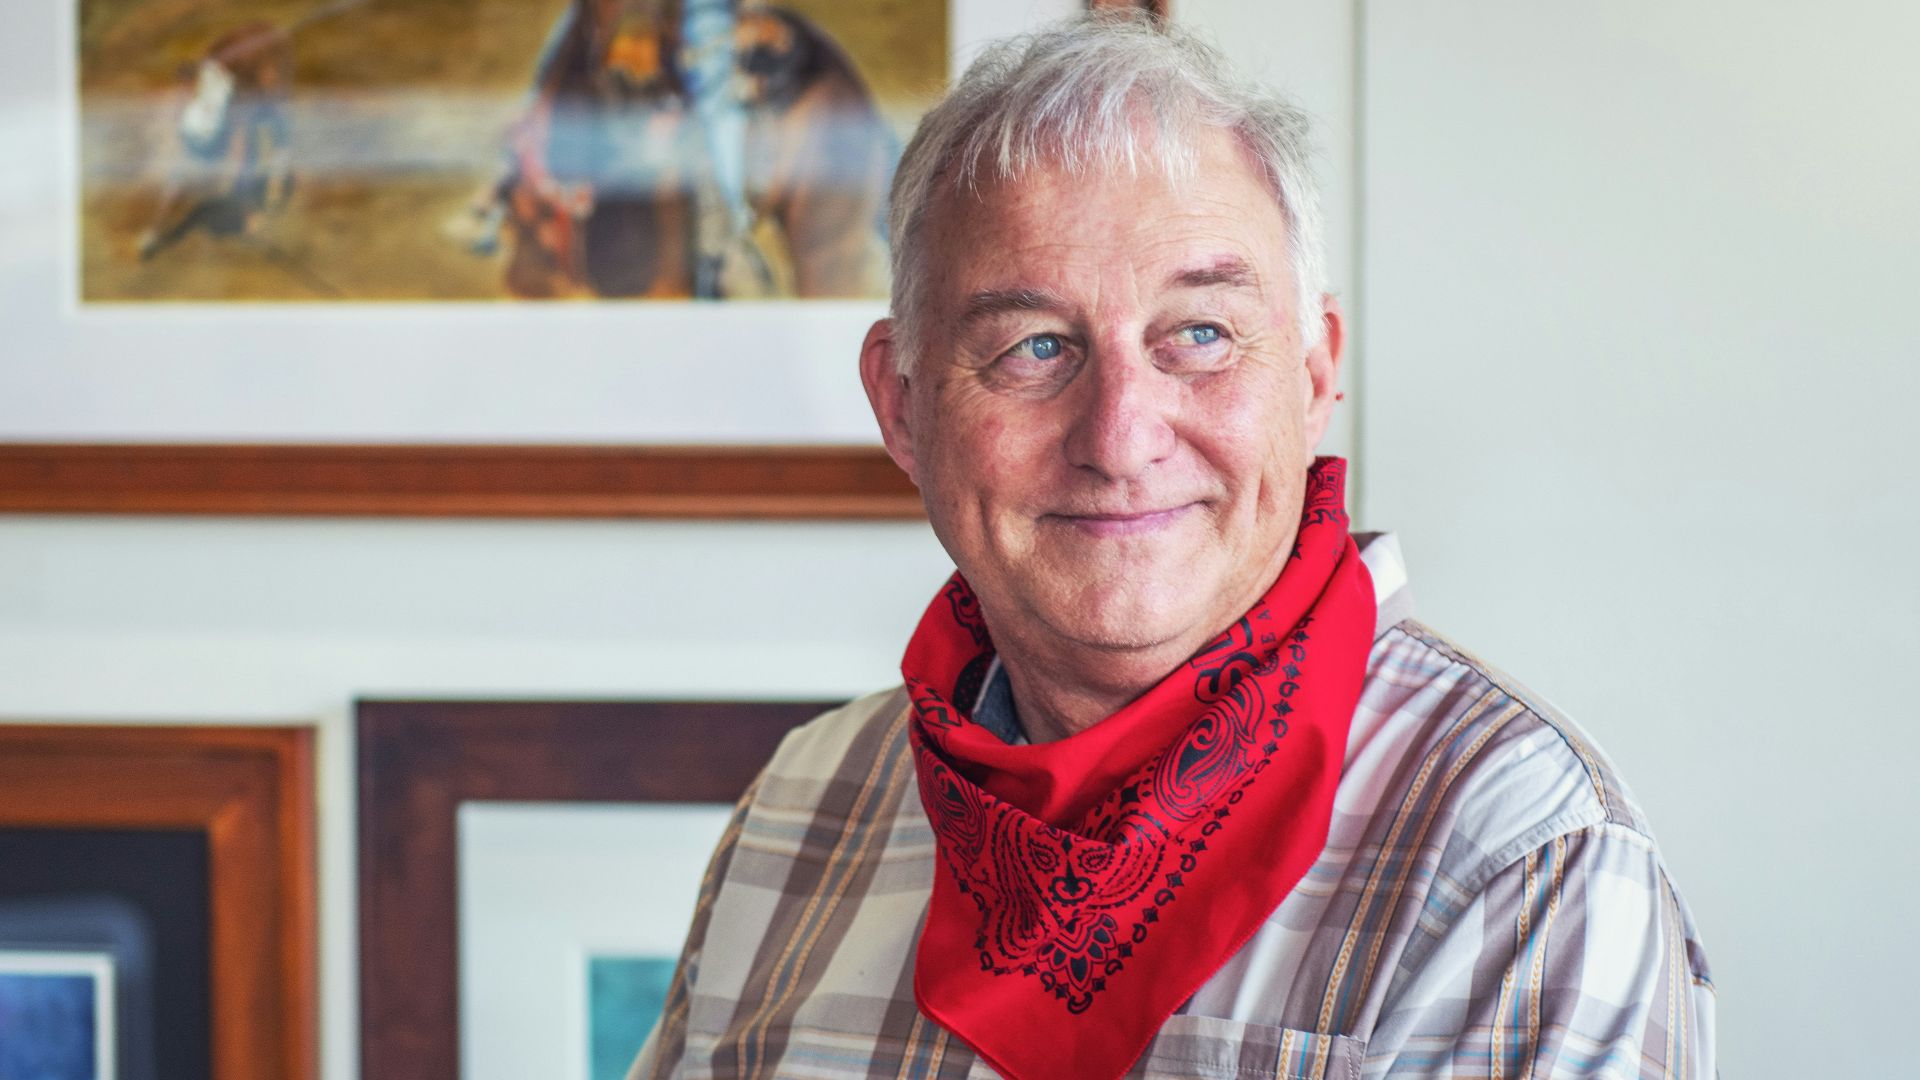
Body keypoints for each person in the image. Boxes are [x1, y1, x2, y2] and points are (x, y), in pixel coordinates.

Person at [630, 13, 1715, 1080]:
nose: (1119, 438)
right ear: (902, 407)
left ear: (1312, 371)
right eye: (1031, 347)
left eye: (1198, 334)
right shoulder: (802, 807)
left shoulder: (1514, 852)